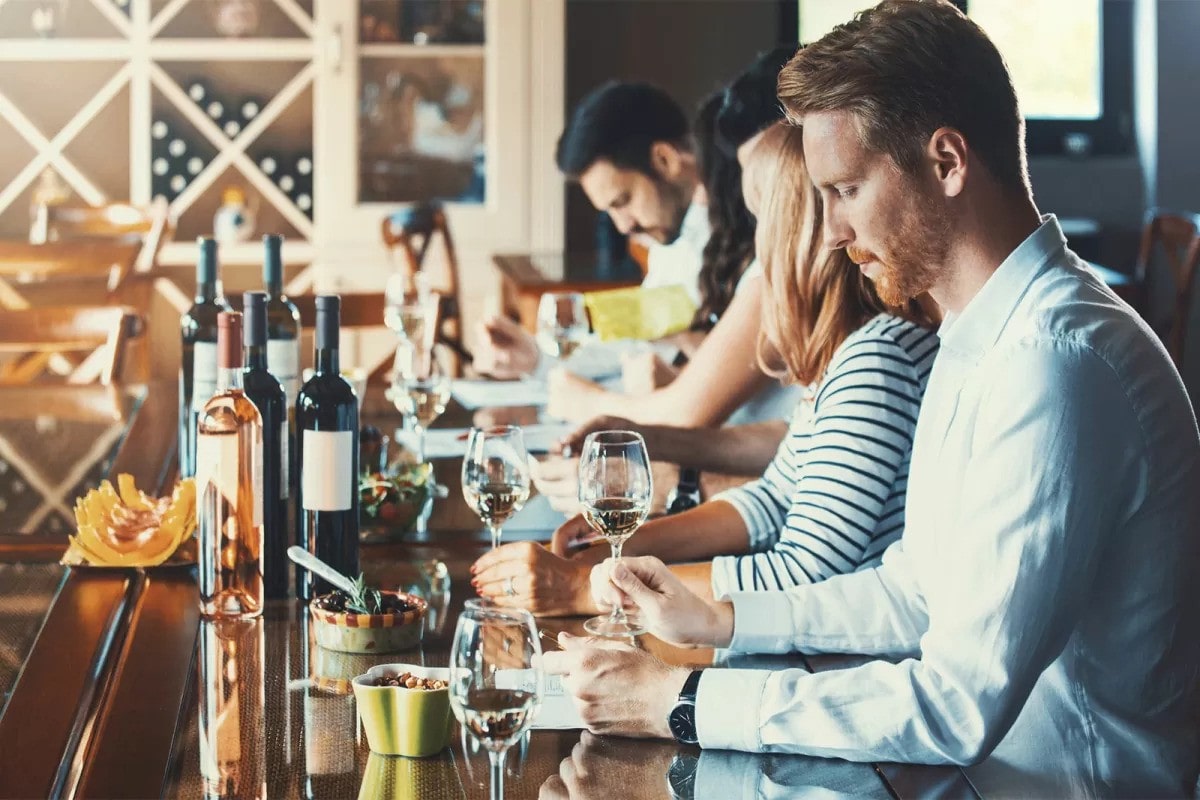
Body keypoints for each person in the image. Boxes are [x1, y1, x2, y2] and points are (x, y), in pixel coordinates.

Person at [544, 2, 1200, 796]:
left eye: (846, 188)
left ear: (948, 161)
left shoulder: (1054, 364)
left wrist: (679, 701)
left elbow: (954, 704)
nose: (825, 233)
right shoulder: (977, 333)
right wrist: (718, 619)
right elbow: (916, 588)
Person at [471, 123, 937, 615]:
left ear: (792, 233)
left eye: (761, 222)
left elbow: (800, 574)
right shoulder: (848, 354)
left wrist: (587, 589)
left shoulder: (875, 361)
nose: (756, 255)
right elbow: (775, 499)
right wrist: (616, 547)